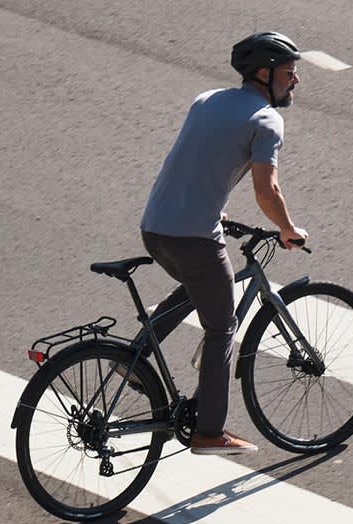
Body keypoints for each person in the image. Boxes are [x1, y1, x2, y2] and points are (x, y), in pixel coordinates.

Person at [137, 31, 307, 455]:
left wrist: (215, 209)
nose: (296, 81)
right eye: (289, 73)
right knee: (223, 325)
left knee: (200, 287)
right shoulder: (267, 120)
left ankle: (135, 361)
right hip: (193, 235)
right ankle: (209, 432)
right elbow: (267, 191)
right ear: (265, 74)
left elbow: (194, 160)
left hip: (156, 225)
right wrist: (288, 229)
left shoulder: (206, 99)